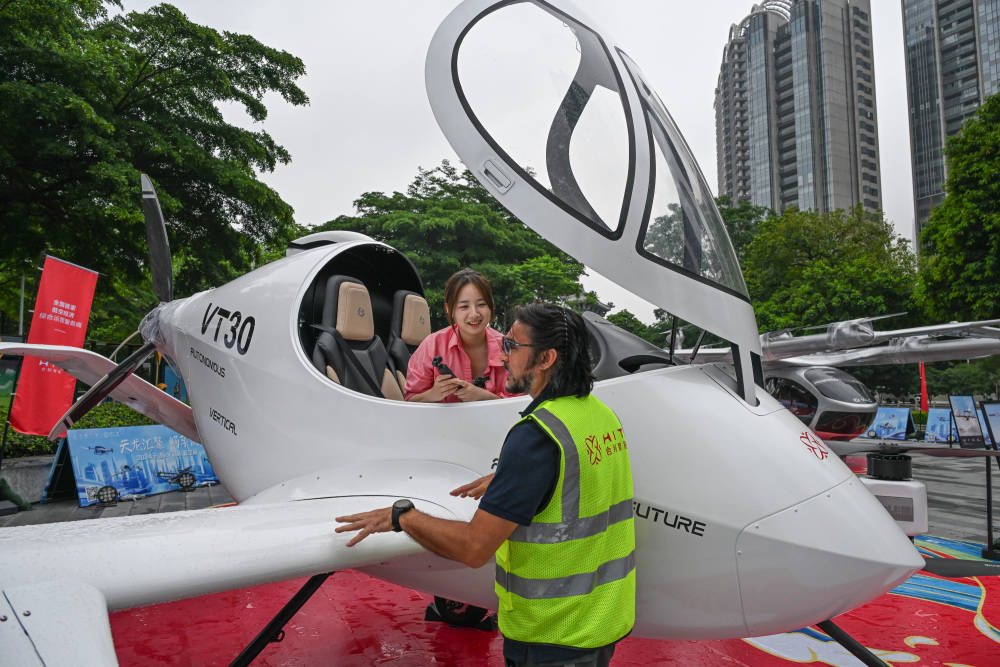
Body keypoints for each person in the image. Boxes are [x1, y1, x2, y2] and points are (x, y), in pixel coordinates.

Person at [337, 303, 636, 667]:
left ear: (546, 359)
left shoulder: (536, 439)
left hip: (551, 637)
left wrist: (402, 516)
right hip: (600, 622)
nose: (501, 354)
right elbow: (580, 483)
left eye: (512, 346)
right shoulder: (599, 415)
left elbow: (473, 547)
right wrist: (521, 481)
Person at [405, 268, 509, 403]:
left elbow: (524, 403)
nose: (474, 314)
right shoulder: (432, 345)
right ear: (449, 309)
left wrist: (485, 397)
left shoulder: (509, 348)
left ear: (491, 305)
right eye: (464, 306)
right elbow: (409, 401)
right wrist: (433, 394)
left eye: (481, 304)